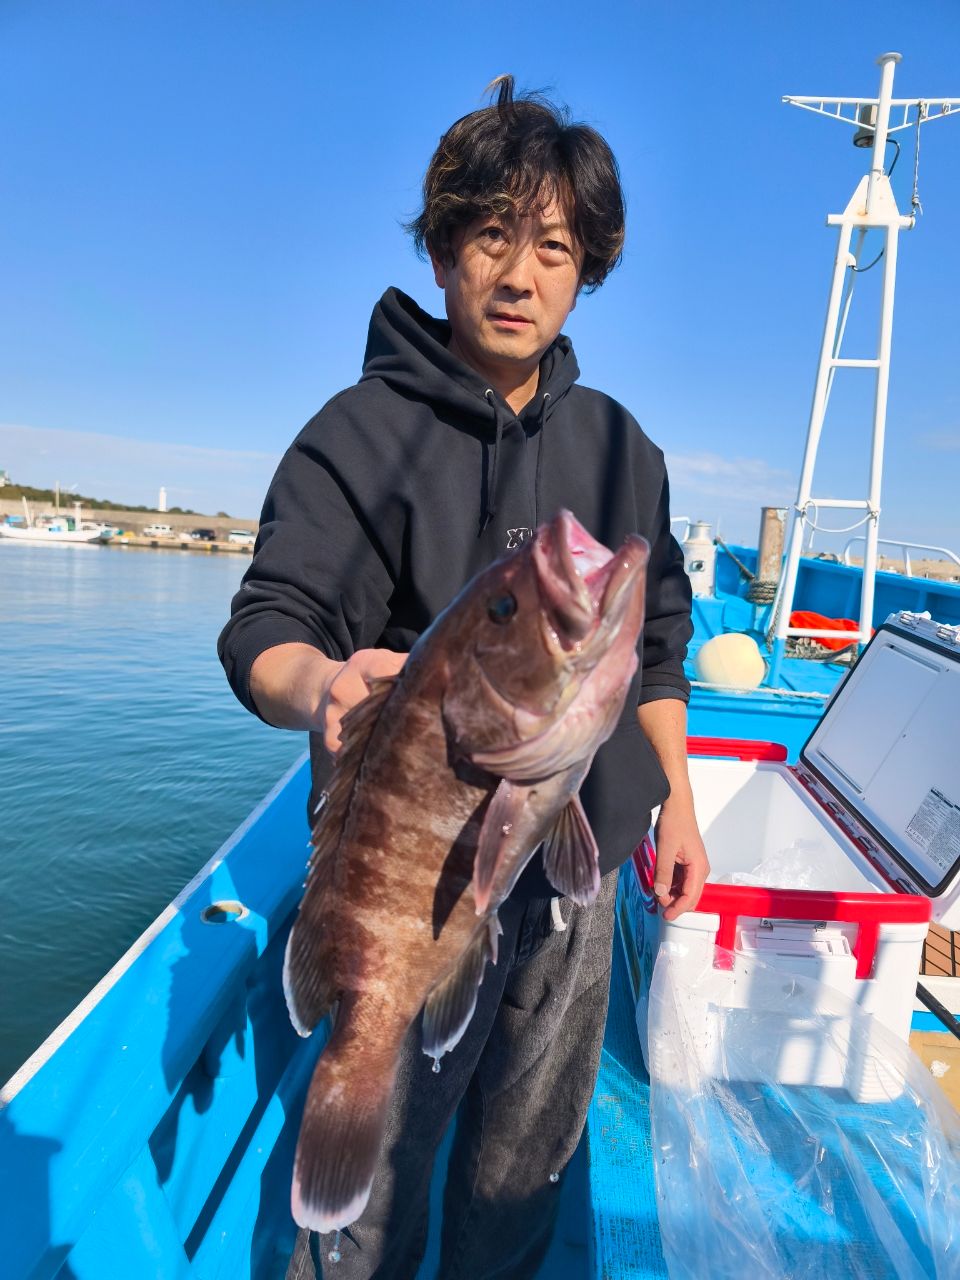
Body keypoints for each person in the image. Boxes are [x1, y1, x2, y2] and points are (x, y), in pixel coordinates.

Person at [219, 76, 709, 1280]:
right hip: (423, 882)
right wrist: (319, 684)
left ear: (585, 269)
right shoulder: (359, 432)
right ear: (442, 251)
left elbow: (656, 641)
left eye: (554, 246)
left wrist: (679, 799)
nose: (520, 273)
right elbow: (266, 627)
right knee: (378, 1166)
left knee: (522, 1164)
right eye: (492, 233)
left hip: (576, 880)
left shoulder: (618, 445)